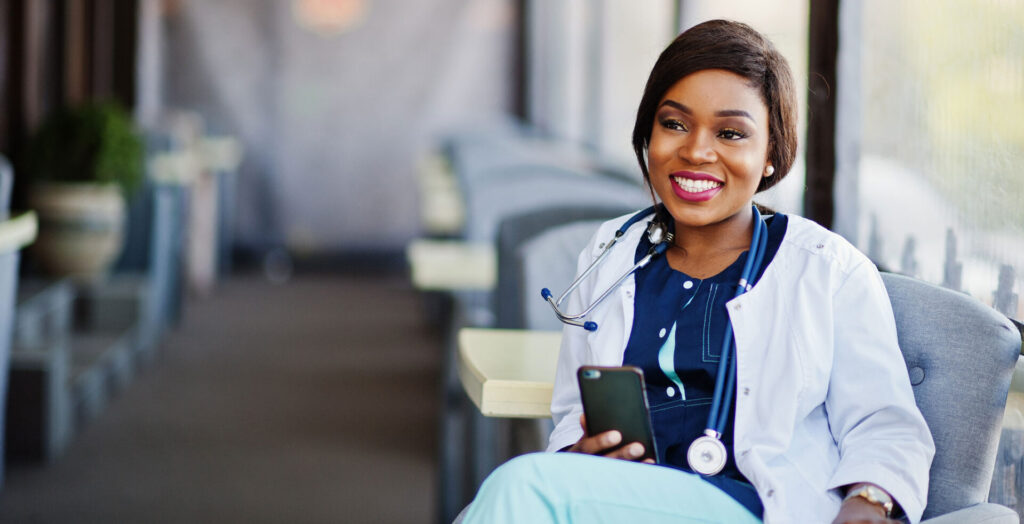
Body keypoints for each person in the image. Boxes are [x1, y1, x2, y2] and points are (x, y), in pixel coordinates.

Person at [461, 19, 934, 524]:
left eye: (731, 133)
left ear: (771, 153)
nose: (696, 151)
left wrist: (870, 501)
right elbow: (569, 414)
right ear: (648, 132)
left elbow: (886, 424)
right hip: (622, 502)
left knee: (518, 487)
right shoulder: (610, 251)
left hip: (754, 506)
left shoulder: (826, 268)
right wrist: (577, 456)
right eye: (675, 123)